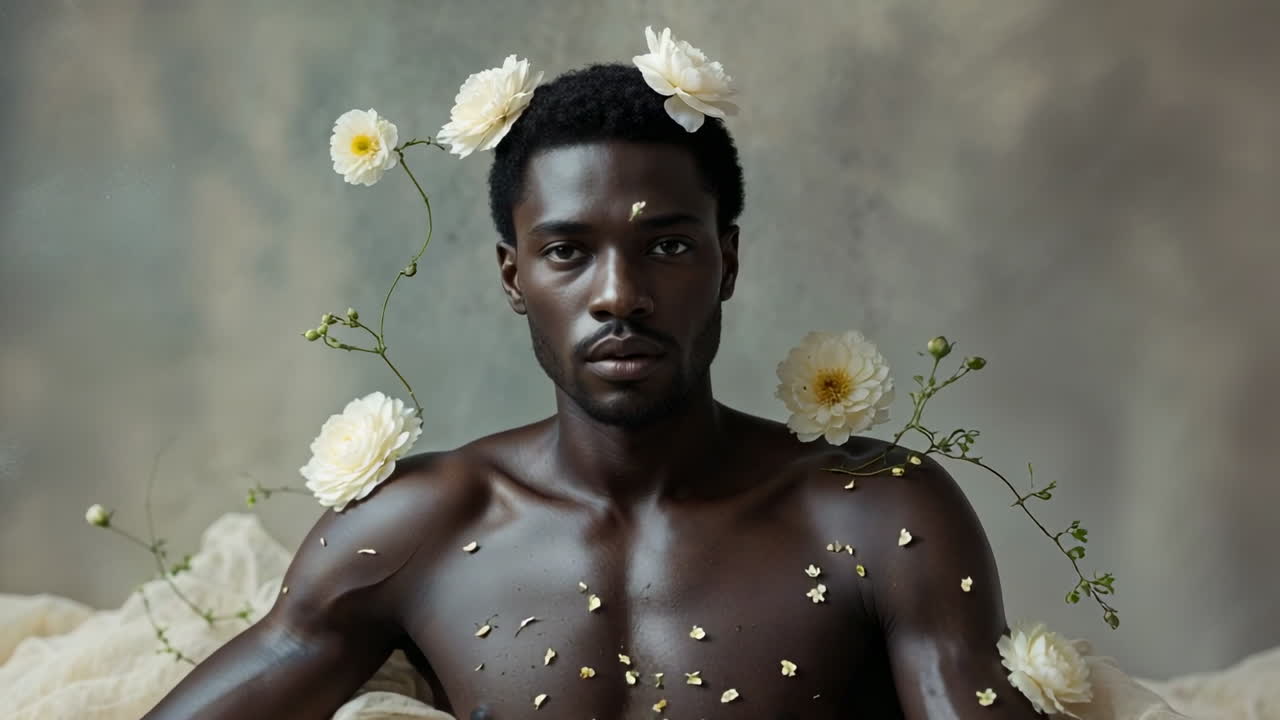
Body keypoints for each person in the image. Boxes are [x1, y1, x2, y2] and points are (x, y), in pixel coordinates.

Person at [144, 62, 1038, 719]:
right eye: (568, 251)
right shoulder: (419, 527)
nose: (619, 294)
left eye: (668, 246)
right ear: (513, 276)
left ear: (727, 261)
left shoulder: (876, 515)